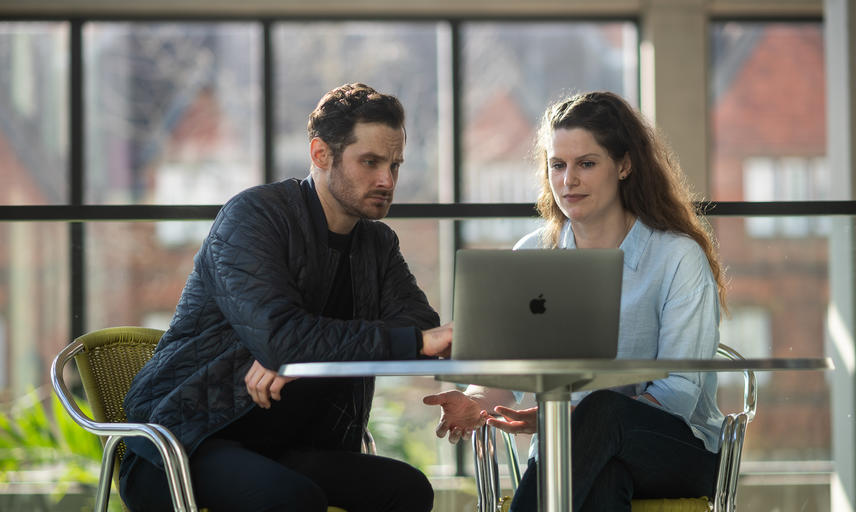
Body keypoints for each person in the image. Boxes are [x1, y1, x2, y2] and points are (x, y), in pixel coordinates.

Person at [119, 82, 453, 512]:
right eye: (369, 162)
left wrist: (302, 359)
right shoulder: (254, 218)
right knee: (293, 500)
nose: (386, 180)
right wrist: (292, 347)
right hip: (186, 443)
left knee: (407, 489)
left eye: (394, 164)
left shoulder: (378, 244)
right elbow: (285, 338)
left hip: (290, 448)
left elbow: (418, 327)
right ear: (320, 154)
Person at [423, 91, 728, 511]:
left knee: (603, 409)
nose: (569, 180)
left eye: (586, 163)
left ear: (623, 165)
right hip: (576, 456)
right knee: (605, 479)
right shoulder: (531, 254)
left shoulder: (676, 257)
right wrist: (475, 401)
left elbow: (678, 395)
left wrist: (568, 419)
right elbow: (505, 374)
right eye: (557, 165)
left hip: (676, 449)